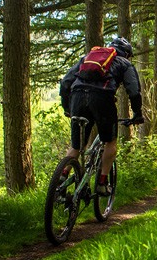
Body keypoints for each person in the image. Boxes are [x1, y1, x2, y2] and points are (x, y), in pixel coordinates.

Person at [59, 36, 144, 196]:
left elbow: (65, 83)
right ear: (127, 54)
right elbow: (134, 91)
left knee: (76, 146)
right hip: (102, 98)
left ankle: (61, 177)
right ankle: (102, 183)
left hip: (76, 97)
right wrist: (137, 114)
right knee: (110, 142)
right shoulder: (125, 63)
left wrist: (67, 107)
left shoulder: (87, 58)